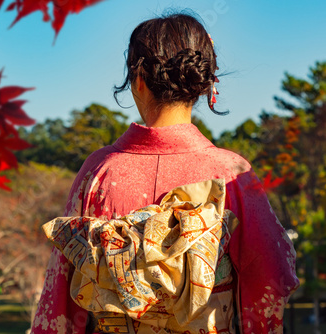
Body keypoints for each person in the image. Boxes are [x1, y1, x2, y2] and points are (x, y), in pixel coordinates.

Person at [31, 12, 299, 334]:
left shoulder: (100, 171)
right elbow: (269, 276)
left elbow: (59, 295)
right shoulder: (231, 174)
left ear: (138, 79)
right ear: (203, 84)